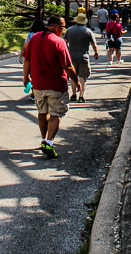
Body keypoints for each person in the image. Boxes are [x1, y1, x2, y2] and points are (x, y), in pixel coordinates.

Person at [23, 16, 79, 159]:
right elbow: (67, 66)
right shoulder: (59, 42)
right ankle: (49, 142)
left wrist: (25, 78)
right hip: (56, 85)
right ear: (55, 26)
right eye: (62, 26)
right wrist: (75, 80)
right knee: (55, 114)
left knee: (42, 111)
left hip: (38, 85)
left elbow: (27, 59)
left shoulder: (34, 38)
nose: (63, 29)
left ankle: (43, 139)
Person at [64, 12, 98, 102]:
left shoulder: (69, 30)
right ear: (84, 22)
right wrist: (96, 53)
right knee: (83, 77)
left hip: (71, 57)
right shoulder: (88, 31)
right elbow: (94, 44)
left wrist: (67, 50)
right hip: (84, 57)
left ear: (76, 21)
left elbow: (64, 42)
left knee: (73, 76)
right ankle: (81, 97)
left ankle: (74, 94)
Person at [19, 18, 45, 101]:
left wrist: (21, 56)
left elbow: (24, 47)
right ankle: (40, 93)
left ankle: (34, 93)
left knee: (32, 75)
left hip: (31, 58)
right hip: (41, 58)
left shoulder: (30, 35)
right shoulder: (44, 34)